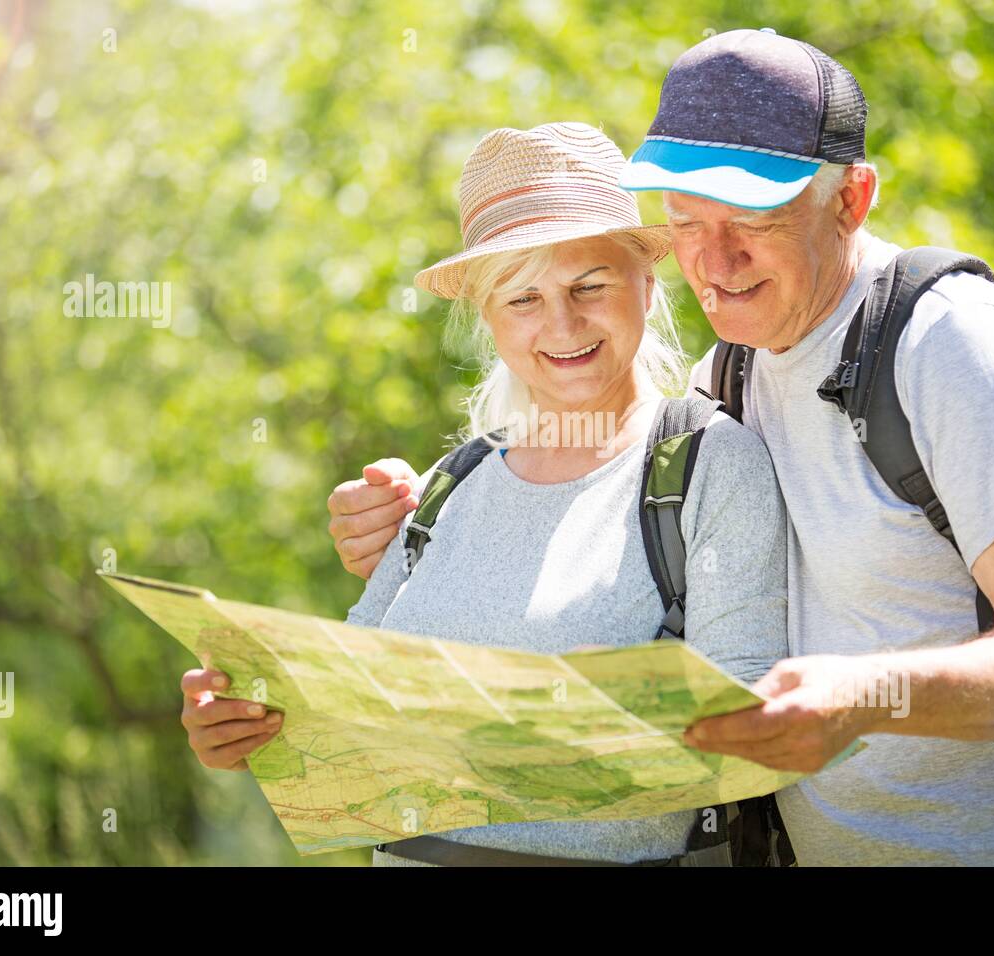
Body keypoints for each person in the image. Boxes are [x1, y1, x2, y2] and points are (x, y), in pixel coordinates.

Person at [333, 31, 994, 865]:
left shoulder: (953, 346)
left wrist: (863, 698)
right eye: (687, 221)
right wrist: (415, 522)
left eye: (754, 216)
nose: (716, 261)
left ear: (852, 199)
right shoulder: (733, 375)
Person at [184, 122, 789, 866]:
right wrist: (248, 729)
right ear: (487, 316)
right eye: (523, 299)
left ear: (645, 277)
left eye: (588, 285)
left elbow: (756, 736)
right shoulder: (451, 487)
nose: (561, 323)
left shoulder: (706, 465)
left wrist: (540, 725)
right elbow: (351, 715)